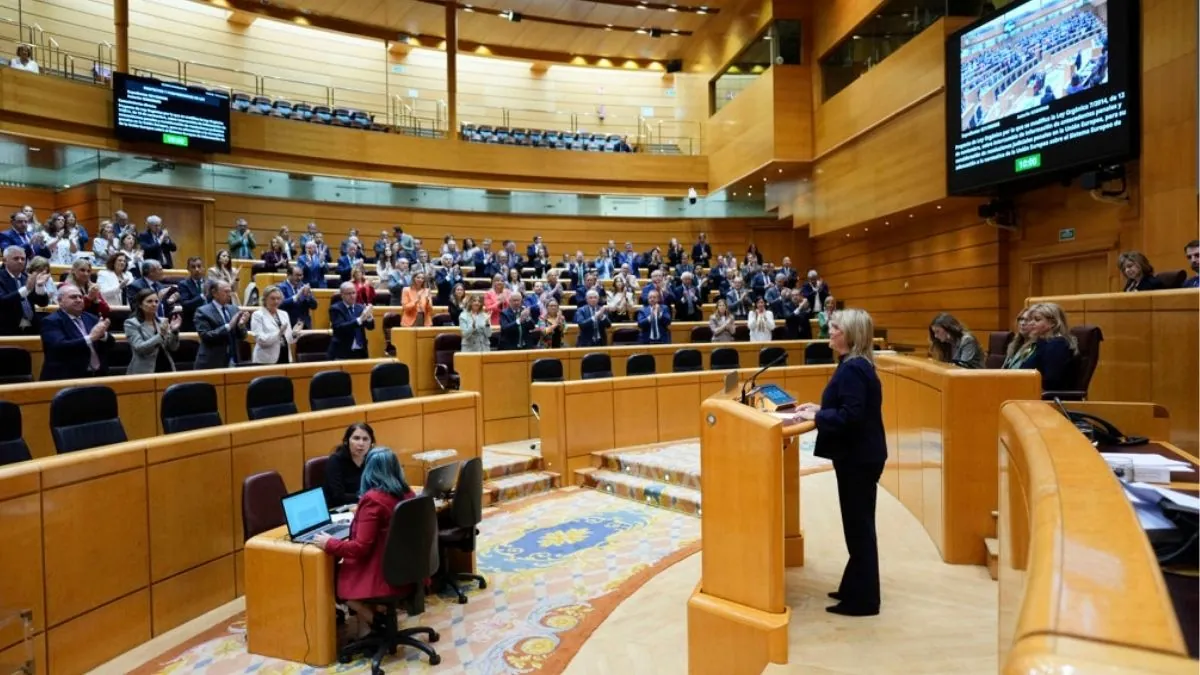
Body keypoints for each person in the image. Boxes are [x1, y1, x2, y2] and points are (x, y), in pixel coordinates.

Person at [796, 308, 886, 617]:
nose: (829, 332)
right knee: (858, 526)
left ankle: (864, 601)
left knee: (859, 528)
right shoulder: (855, 365)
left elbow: (851, 416)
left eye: (834, 327)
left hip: (858, 457)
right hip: (862, 455)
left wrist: (817, 416)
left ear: (849, 335)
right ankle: (854, 587)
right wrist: (820, 408)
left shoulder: (851, 369)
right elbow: (851, 407)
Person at [311, 448, 416, 637]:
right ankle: (367, 631)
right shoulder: (408, 493)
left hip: (382, 575)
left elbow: (360, 548)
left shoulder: (373, 500)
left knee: (330, 580)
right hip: (406, 569)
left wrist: (329, 543)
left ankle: (375, 621)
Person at [39, 285, 114, 380]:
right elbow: (59, 347)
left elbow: (111, 343)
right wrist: (90, 338)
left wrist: (103, 335)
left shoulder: (91, 318)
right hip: (67, 378)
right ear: (60, 301)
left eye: (80, 297)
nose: (79, 300)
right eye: (73, 297)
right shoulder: (51, 321)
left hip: (98, 375)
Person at [1001, 302, 1077, 391]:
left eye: (1037, 320)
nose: (1031, 323)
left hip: (1040, 399)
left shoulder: (1057, 344)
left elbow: (1050, 382)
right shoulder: (1040, 343)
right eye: (1031, 319)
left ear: (1052, 323)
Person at [194, 280, 250, 369]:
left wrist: (241, 325)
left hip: (232, 360)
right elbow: (205, 336)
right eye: (226, 291)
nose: (229, 294)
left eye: (230, 291)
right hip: (211, 362)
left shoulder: (234, 309)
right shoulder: (202, 311)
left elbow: (243, 336)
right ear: (214, 293)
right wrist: (228, 326)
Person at [125, 287, 181, 374]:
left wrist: (174, 332)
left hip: (166, 368)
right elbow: (140, 348)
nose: (154, 304)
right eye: (149, 301)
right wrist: (161, 335)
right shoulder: (131, 323)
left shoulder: (162, 321)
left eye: (156, 301)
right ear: (140, 304)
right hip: (144, 371)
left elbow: (173, 348)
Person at [0, 245, 50, 336]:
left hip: (32, 326)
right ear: (4, 260)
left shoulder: (26, 277)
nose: (20, 261)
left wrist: (40, 286)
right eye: (16, 258)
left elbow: (43, 303)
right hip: (7, 327)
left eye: (23, 259)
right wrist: (26, 289)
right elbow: (3, 301)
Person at [250, 285, 303, 365]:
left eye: (278, 298)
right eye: (272, 298)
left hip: (285, 356)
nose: (276, 301)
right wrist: (279, 334)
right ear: (265, 299)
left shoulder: (284, 314)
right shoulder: (257, 315)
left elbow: (289, 340)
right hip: (266, 359)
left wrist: (294, 333)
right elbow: (260, 340)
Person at [329, 281, 374, 360]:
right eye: (349, 294)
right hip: (343, 352)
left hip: (360, 352)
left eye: (354, 293)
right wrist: (360, 320)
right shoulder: (335, 308)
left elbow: (370, 327)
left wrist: (369, 317)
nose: (352, 296)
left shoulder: (360, 307)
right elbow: (340, 327)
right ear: (342, 295)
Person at [279, 264, 318, 329]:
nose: (299, 278)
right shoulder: (281, 287)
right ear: (289, 275)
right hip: (288, 325)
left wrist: (308, 297)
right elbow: (281, 304)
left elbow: (314, 306)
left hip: (305, 325)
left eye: (301, 275)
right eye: (297, 275)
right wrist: (297, 296)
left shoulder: (304, 286)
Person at [176, 256, 208, 332]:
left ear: (203, 268)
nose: (197, 269)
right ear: (188, 269)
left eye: (199, 266)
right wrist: (202, 296)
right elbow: (185, 305)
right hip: (192, 322)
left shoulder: (210, 283)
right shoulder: (184, 284)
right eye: (193, 267)